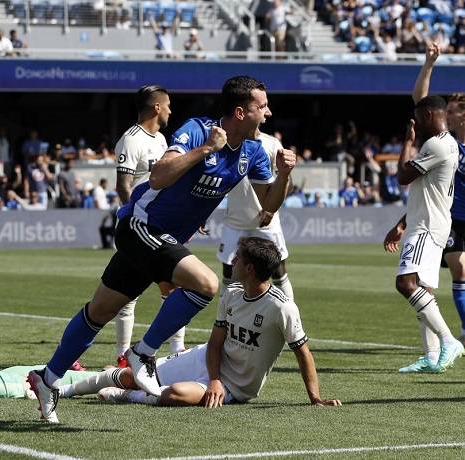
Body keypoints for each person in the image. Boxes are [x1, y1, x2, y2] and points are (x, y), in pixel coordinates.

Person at [27, 75, 296, 423]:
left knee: (99, 312)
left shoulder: (255, 152)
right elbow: (158, 177)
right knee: (207, 285)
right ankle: (144, 354)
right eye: (263, 106)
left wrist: (285, 175)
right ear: (241, 112)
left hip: (161, 239)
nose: (269, 112)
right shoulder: (199, 130)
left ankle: (47, 379)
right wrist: (206, 150)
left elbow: (267, 211)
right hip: (141, 225)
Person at [59, 238, 340, 409]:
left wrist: (316, 398)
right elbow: (216, 342)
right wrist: (214, 378)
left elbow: (303, 353)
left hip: (237, 387)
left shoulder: (282, 307)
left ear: (250, 269)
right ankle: (64, 389)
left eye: (239, 258)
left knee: (177, 395)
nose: (234, 261)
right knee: (133, 375)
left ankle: (128, 397)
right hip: (207, 362)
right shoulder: (231, 294)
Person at [383, 95, 464, 374]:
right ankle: (431, 357)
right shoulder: (449, 144)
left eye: (418, 117)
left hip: (427, 226)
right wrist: (402, 223)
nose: (415, 122)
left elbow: (403, 177)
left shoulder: (436, 144)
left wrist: (407, 141)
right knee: (422, 289)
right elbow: (427, 191)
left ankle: (448, 340)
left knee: (405, 283)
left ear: (429, 114)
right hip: (429, 222)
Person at [113, 85, 185, 367]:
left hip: (163, 225)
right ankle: (122, 354)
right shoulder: (131, 140)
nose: (170, 110)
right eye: (167, 105)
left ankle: (177, 351)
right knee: (127, 294)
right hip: (137, 227)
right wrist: (137, 217)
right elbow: (123, 186)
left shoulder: (162, 139)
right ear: (156, 107)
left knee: (173, 286)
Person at [413, 43, 465, 345]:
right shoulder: (447, 144)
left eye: (455, 110)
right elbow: (420, 99)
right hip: (451, 217)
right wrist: (429, 64)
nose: (448, 114)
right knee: (458, 267)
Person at [217, 129, 295, 303]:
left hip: (266, 221)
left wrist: (271, 210)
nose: (265, 113)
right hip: (235, 220)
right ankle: (225, 321)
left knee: (278, 271)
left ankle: (291, 320)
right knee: (229, 275)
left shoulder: (272, 144)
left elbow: (288, 181)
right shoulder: (226, 142)